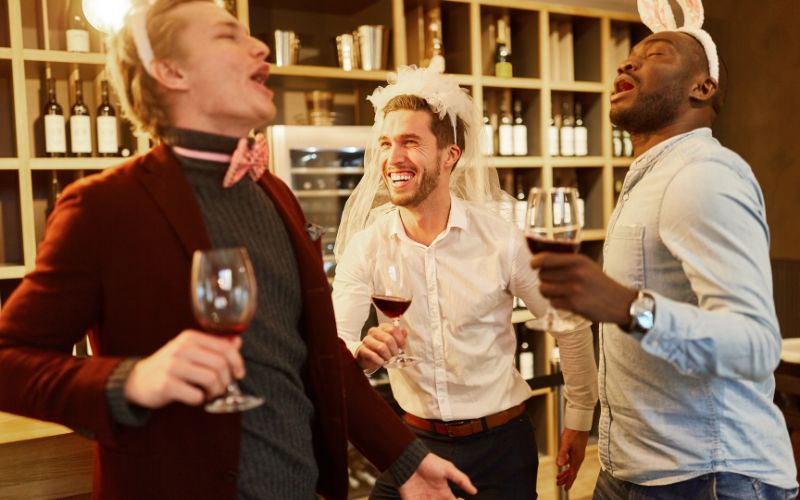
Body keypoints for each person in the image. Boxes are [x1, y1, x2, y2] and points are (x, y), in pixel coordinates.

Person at [0, 2, 476, 499]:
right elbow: (8, 361)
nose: (261, 47)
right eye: (228, 36)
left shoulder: (275, 194)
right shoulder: (102, 207)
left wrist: (406, 460)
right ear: (171, 70)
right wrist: (132, 380)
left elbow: (317, 356)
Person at [530, 0, 799, 498]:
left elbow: (757, 345)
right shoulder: (650, 179)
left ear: (703, 87)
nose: (627, 63)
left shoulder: (704, 177)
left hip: (709, 476)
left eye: (655, 54)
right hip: (635, 468)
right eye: (630, 54)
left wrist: (627, 308)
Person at [332, 57, 598, 499]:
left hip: (501, 447)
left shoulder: (502, 240)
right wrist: (358, 354)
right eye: (384, 143)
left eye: (410, 142)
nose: (392, 157)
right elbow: (335, 340)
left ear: (449, 155)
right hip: (411, 444)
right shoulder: (368, 245)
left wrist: (579, 418)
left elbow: (568, 322)